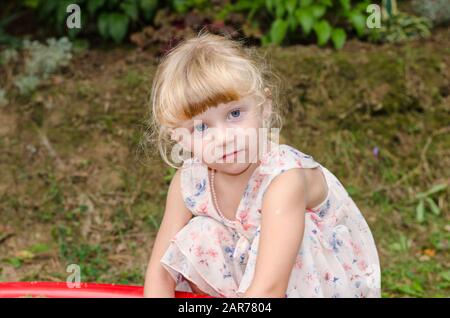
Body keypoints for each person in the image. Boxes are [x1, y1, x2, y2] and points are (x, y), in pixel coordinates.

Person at [143, 30, 381, 298]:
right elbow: (159, 273)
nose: (223, 138)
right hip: (255, 284)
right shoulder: (190, 181)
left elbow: (269, 290)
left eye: (235, 114)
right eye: (200, 127)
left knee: (297, 235)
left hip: (320, 282)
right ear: (178, 136)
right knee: (199, 235)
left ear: (263, 106)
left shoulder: (284, 178)